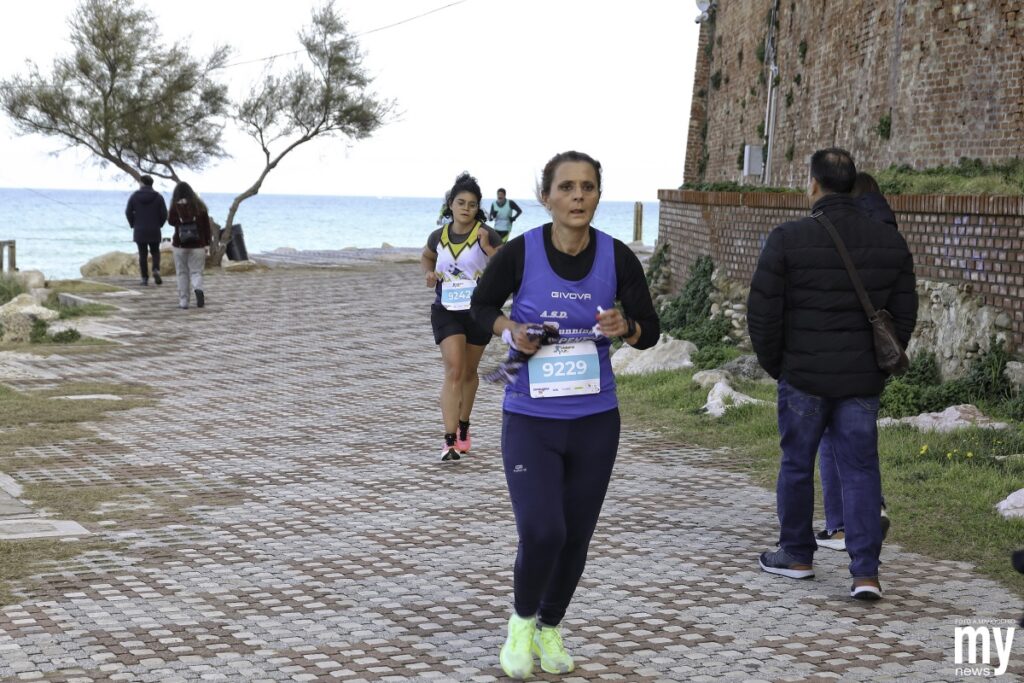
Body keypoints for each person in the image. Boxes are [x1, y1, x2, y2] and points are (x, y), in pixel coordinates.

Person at [470, 151, 660, 679]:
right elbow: (481, 308)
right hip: (530, 418)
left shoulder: (618, 258)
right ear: (546, 197)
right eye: (567, 187)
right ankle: (521, 624)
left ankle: (549, 627)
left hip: (596, 420)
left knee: (575, 534)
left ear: (598, 195)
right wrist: (511, 330)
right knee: (543, 531)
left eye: (588, 187)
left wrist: (627, 328)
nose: (578, 196)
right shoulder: (520, 253)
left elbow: (650, 330)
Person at [747, 148, 917, 601]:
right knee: (861, 469)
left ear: (813, 184)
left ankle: (796, 554)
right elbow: (904, 315)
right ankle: (866, 574)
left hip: (803, 376)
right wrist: (876, 365)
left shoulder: (788, 238)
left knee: (796, 464)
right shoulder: (890, 242)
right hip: (861, 380)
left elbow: (762, 313)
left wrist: (779, 366)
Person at [815, 171, 896, 552]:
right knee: (861, 436)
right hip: (875, 351)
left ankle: (841, 526)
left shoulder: (840, 228)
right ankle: (871, 507)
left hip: (835, 349)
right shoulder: (888, 232)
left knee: (829, 434)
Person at [421, 172, 503, 461]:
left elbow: (505, 265)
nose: (466, 208)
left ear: (478, 207)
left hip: (477, 311)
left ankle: (464, 425)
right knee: (455, 369)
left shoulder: (486, 233)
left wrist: (489, 249)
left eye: (472, 204)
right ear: (451, 204)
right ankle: (449, 440)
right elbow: (427, 256)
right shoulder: (438, 236)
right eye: (460, 202)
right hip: (446, 310)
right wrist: (429, 274)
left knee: (469, 372)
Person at [167, 181, 212, 310]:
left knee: (182, 272)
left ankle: (184, 301)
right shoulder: (200, 206)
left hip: (180, 245)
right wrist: (207, 244)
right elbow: (206, 227)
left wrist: (180, 216)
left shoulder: (175, 206)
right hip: (198, 245)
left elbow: (170, 221)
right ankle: (198, 288)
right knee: (197, 271)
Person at [124, 175, 168, 286]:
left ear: (142, 183)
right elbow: (164, 213)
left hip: (140, 230)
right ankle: (156, 269)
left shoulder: (134, 196)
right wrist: (160, 224)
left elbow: (128, 212)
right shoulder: (158, 197)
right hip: (154, 229)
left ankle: (144, 278)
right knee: (155, 252)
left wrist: (133, 224)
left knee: (142, 254)